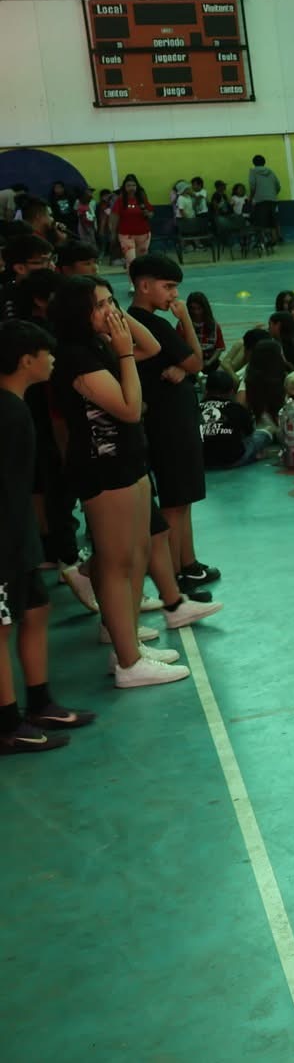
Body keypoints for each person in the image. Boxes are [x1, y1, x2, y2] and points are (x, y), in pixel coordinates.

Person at [48, 277, 194, 687]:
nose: (110, 310)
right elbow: (130, 408)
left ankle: (128, 644)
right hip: (103, 467)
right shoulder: (77, 357)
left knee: (138, 551)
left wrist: (119, 318)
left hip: (129, 460)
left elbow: (151, 348)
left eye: (111, 301)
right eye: (99, 305)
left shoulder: (100, 344)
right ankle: (128, 662)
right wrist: (124, 352)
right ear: (78, 314)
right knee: (116, 562)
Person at [0, 320, 94, 752]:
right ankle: (6, 724)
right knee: (0, 627)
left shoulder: (19, 406)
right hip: (4, 542)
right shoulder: (7, 413)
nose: (53, 360)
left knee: (35, 611)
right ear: (26, 360)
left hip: (19, 537)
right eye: (46, 353)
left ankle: (40, 702)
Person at [128, 255, 220, 598]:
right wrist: (186, 323)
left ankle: (189, 564)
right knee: (175, 499)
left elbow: (186, 367)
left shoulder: (143, 322)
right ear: (144, 285)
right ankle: (177, 572)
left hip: (174, 418)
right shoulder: (153, 324)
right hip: (167, 422)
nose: (173, 295)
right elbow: (196, 361)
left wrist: (183, 371)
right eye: (168, 287)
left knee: (183, 498)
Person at [113, 176, 152, 269]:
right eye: (128, 185)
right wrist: (113, 233)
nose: (131, 188)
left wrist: (147, 213)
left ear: (137, 187)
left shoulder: (142, 199)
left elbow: (151, 214)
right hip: (126, 235)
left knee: (142, 261)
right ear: (125, 188)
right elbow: (114, 217)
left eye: (133, 185)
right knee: (131, 260)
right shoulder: (120, 201)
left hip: (143, 234)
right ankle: (132, 283)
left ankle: (141, 281)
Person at [247, 154, 281, 249]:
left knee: (261, 222)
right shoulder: (271, 172)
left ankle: (262, 242)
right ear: (264, 162)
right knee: (272, 220)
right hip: (272, 200)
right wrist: (272, 194)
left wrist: (251, 198)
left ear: (253, 163)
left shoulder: (253, 172)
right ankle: (274, 239)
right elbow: (278, 186)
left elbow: (253, 186)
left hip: (260, 200)